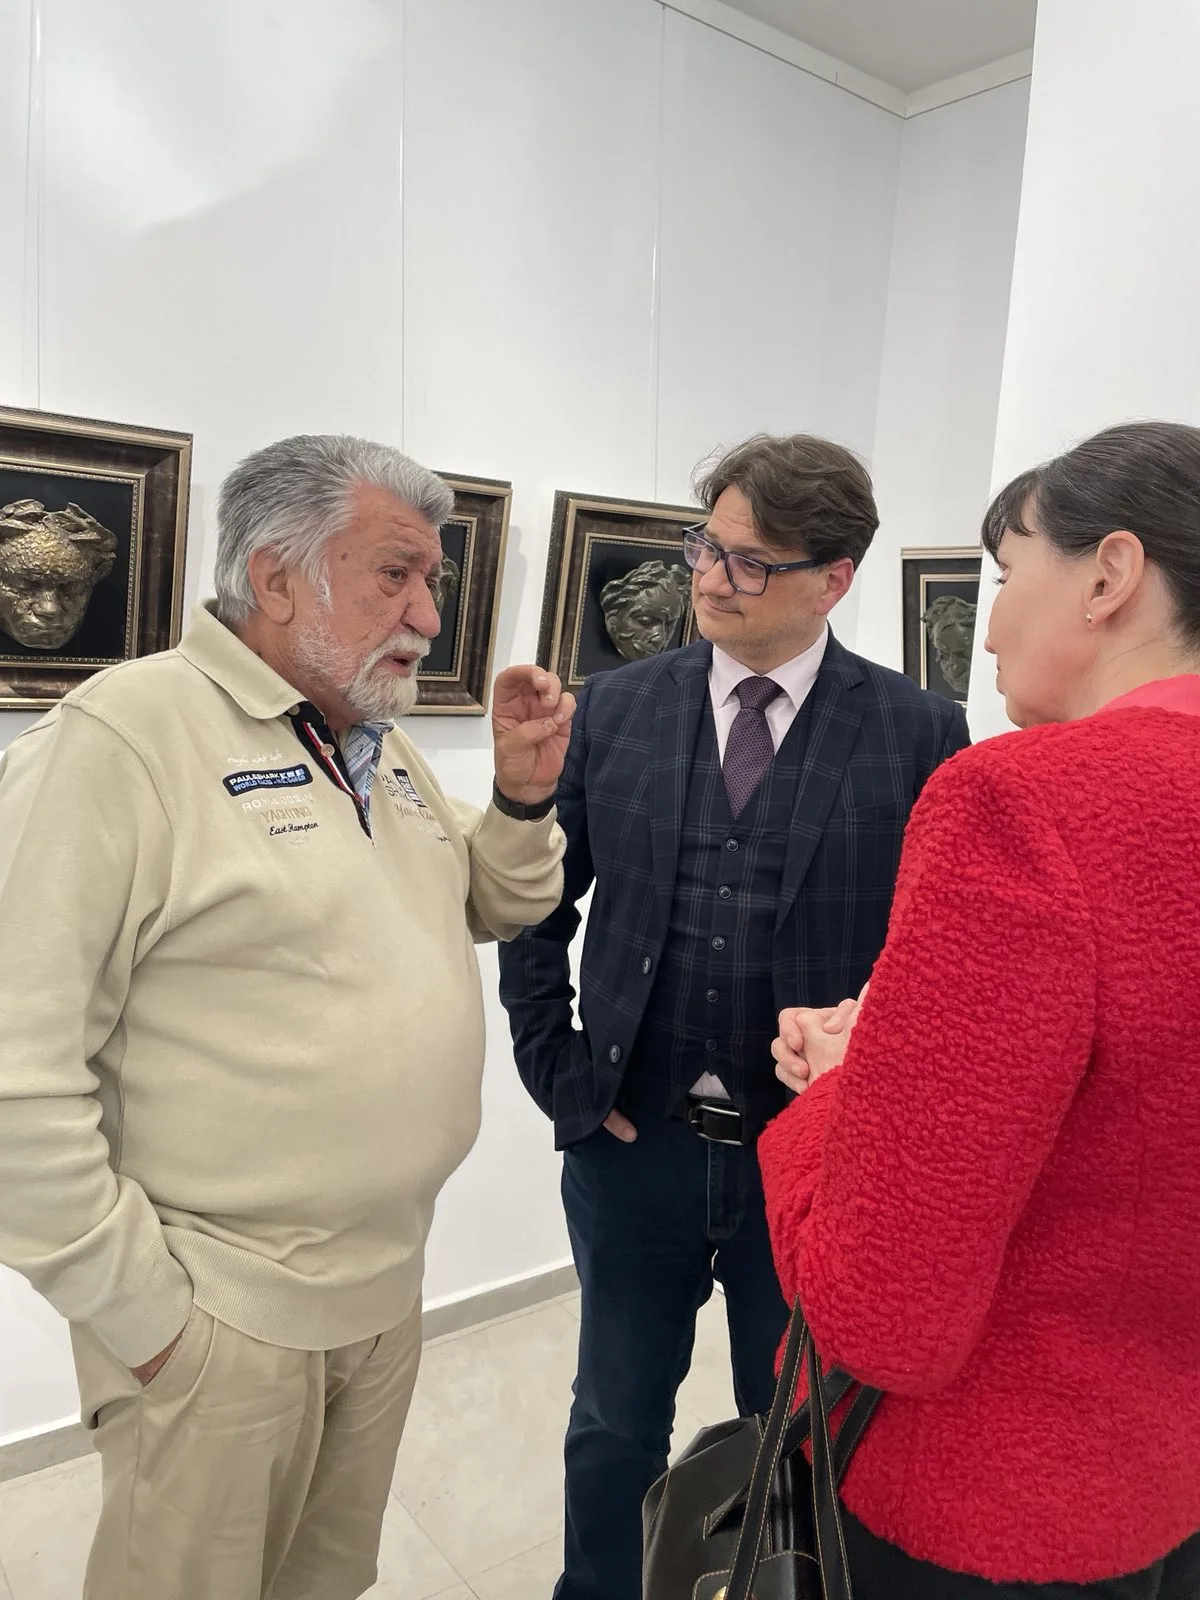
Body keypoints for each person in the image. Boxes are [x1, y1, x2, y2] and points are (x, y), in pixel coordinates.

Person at [0, 433, 572, 1600]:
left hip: (384, 1289)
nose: (427, 615)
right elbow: (15, 1067)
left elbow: (494, 901)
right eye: (395, 575)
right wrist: (149, 1317)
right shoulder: (123, 739)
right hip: (219, 1317)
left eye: (433, 581)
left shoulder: (373, 740)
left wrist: (520, 799)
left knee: (323, 1584)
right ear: (274, 579)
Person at [498, 432, 970, 1600]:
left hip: (809, 1167)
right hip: (634, 1146)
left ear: (834, 578)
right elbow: (535, 901)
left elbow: (932, 957)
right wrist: (561, 1073)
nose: (711, 576)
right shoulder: (617, 709)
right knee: (612, 1424)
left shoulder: (918, 730)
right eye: (705, 545)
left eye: (750, 561)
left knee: (798, 1435)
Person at [762, 420, 1200, 1598]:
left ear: (1109, 576)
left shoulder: (1023, 802)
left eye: (1007, 576)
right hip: (1166, 1476)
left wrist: (839, 1092)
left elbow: (883, 1312)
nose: (991, 626)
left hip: (987, 1499)